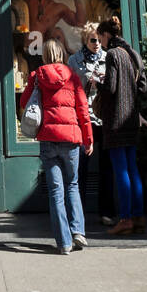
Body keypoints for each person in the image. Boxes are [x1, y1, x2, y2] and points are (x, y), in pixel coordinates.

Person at [20, 38, 92, 255]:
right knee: (72, 185)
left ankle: (63, 242)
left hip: (48, 138)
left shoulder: (37, 76)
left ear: (44, 55)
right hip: (71, 139)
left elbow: (24, 102)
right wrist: (88, 138)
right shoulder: (73, 76)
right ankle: (78, 231)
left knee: (55, 191)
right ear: (61, 53)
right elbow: (83, 109)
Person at [96, 14, 147, 236]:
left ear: (106, 35)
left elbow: (111, 88)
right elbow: (144, 87)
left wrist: (99, 83)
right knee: (133, 169)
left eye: (100, 38)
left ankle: (125, 219)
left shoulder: (113, 55)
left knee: (121, 171)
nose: (100, 42)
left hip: (116, 120)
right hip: (131, 119)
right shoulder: (132, 53)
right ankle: (138, 217)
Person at [68, 22, 116, 225]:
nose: (97, 44)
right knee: (81, 167)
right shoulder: (75, 60)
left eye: (99, 40)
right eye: (93, 40)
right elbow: (69, 89)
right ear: (85, 40)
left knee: (107, 167)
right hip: (83, 118)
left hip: (103, 118)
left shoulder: (109, 57)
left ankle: (106, 211)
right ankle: (79, 214)